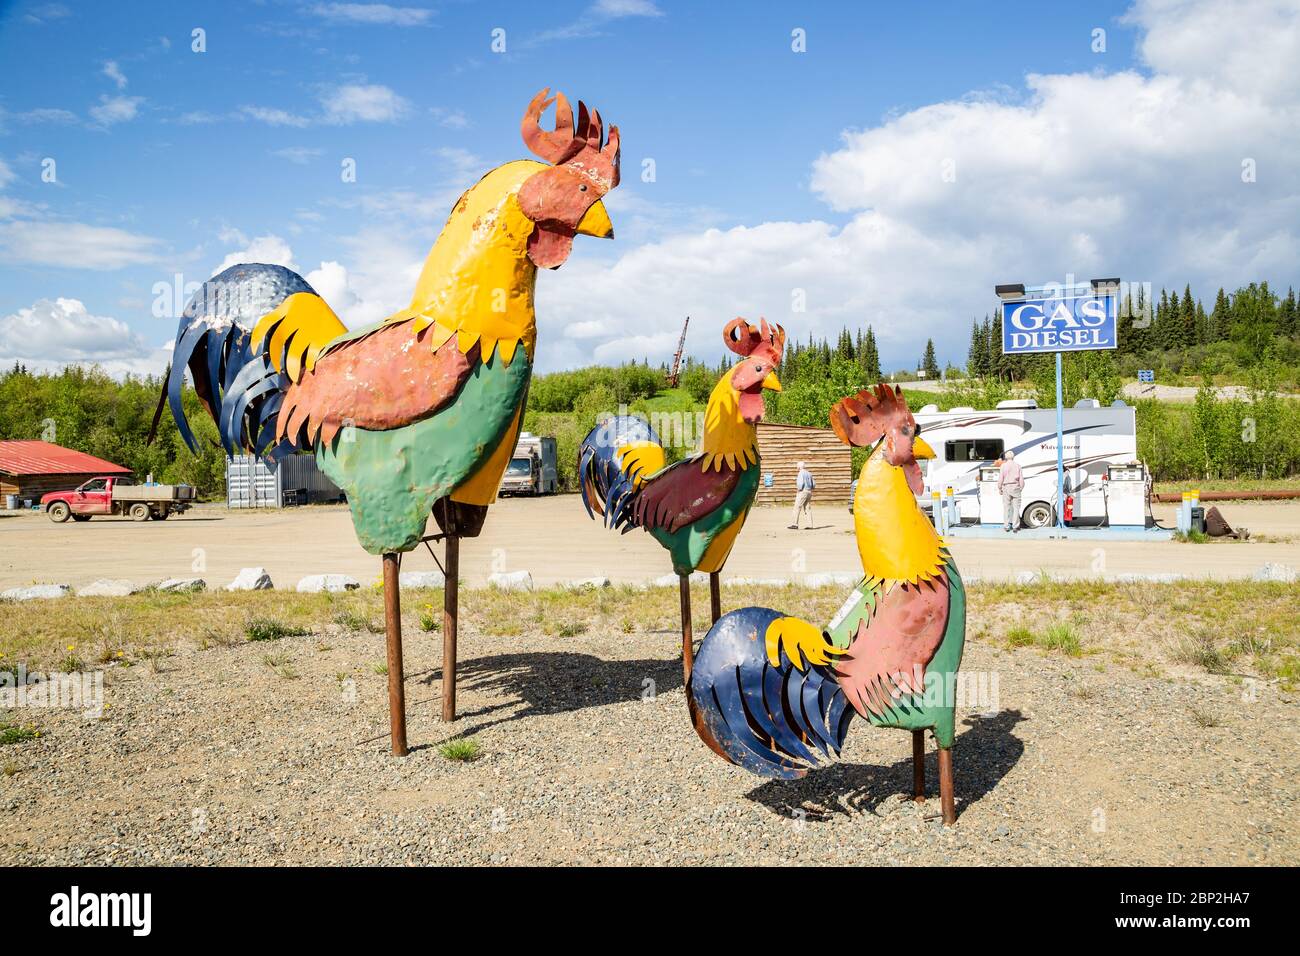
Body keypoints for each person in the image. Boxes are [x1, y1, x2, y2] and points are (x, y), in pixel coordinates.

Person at [998, 450, 1023, 532]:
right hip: (1015, 487)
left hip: (1006, 487)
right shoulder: (1018, 466)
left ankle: (1006, 526)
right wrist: (1021, 488)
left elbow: (1001, 478)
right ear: (1013, 457)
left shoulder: (1003, 466)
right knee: (1016, 508)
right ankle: (1015, 526)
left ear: (1005, 457)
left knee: (1006, 508)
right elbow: (1021, 479)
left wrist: (999, 488)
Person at [789, 461, 815, 529]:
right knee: (807, 508)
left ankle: (795, 524)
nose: (796, 468)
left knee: (797, 507)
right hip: (809, 492)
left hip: (803, 491)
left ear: (800, 467)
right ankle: (810, 525)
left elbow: (800, 484)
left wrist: (799, 490)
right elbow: (814, 484)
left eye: (797, 466)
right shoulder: (809, 473)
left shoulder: (801, 473)